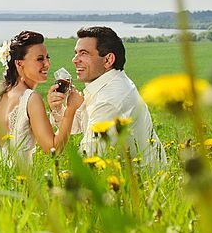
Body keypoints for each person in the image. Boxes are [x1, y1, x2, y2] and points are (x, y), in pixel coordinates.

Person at [48, 26, 166, 167]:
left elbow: (87, 159)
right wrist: (58, 109)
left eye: (83, 53)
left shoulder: (109, 100)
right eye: (76, 53)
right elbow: (76, 125)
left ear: (108, 60)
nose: (75, 60)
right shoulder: (105, 85)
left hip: (139, 183)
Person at [0, 30, 84, 165]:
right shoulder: (31, 98)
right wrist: (71, 109)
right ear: (19, 63)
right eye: (40, 59)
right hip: (17, 180)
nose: (47, 64)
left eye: (47, 58)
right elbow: (53, 149)